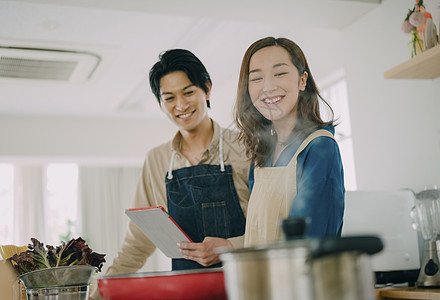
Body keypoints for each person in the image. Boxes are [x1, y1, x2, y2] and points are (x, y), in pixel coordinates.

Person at [90, 49, 250, 300]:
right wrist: (98, 293)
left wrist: (231, 247)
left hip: (249, 287)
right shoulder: (157, 160)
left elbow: (270, 227)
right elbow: (138, 241)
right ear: (160, 103)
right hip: (187, 293)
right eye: (169, 98)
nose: (181, 105)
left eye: (188, 92)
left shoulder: (246, 147)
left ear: (206, 89)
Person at [234, 37, 345, 247]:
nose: (267, 87)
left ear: (302, 81)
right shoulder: (261, 154)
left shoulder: (319, 147)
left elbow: (314, 242)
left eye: (280, 73)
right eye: (256, 78)